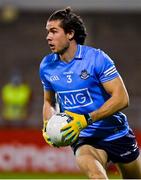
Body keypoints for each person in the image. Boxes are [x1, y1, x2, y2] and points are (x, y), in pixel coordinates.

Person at [39, 7, 141, 179]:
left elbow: (122, 98)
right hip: (84, 138)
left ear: (70, 34)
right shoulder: (47, 66)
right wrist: (47, 124)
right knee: (97, 176)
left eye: (54, 31)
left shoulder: (97, 59)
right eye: (48, 32)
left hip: (115, 132)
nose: (48, 37)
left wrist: (85, 120)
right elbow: (49, 101)